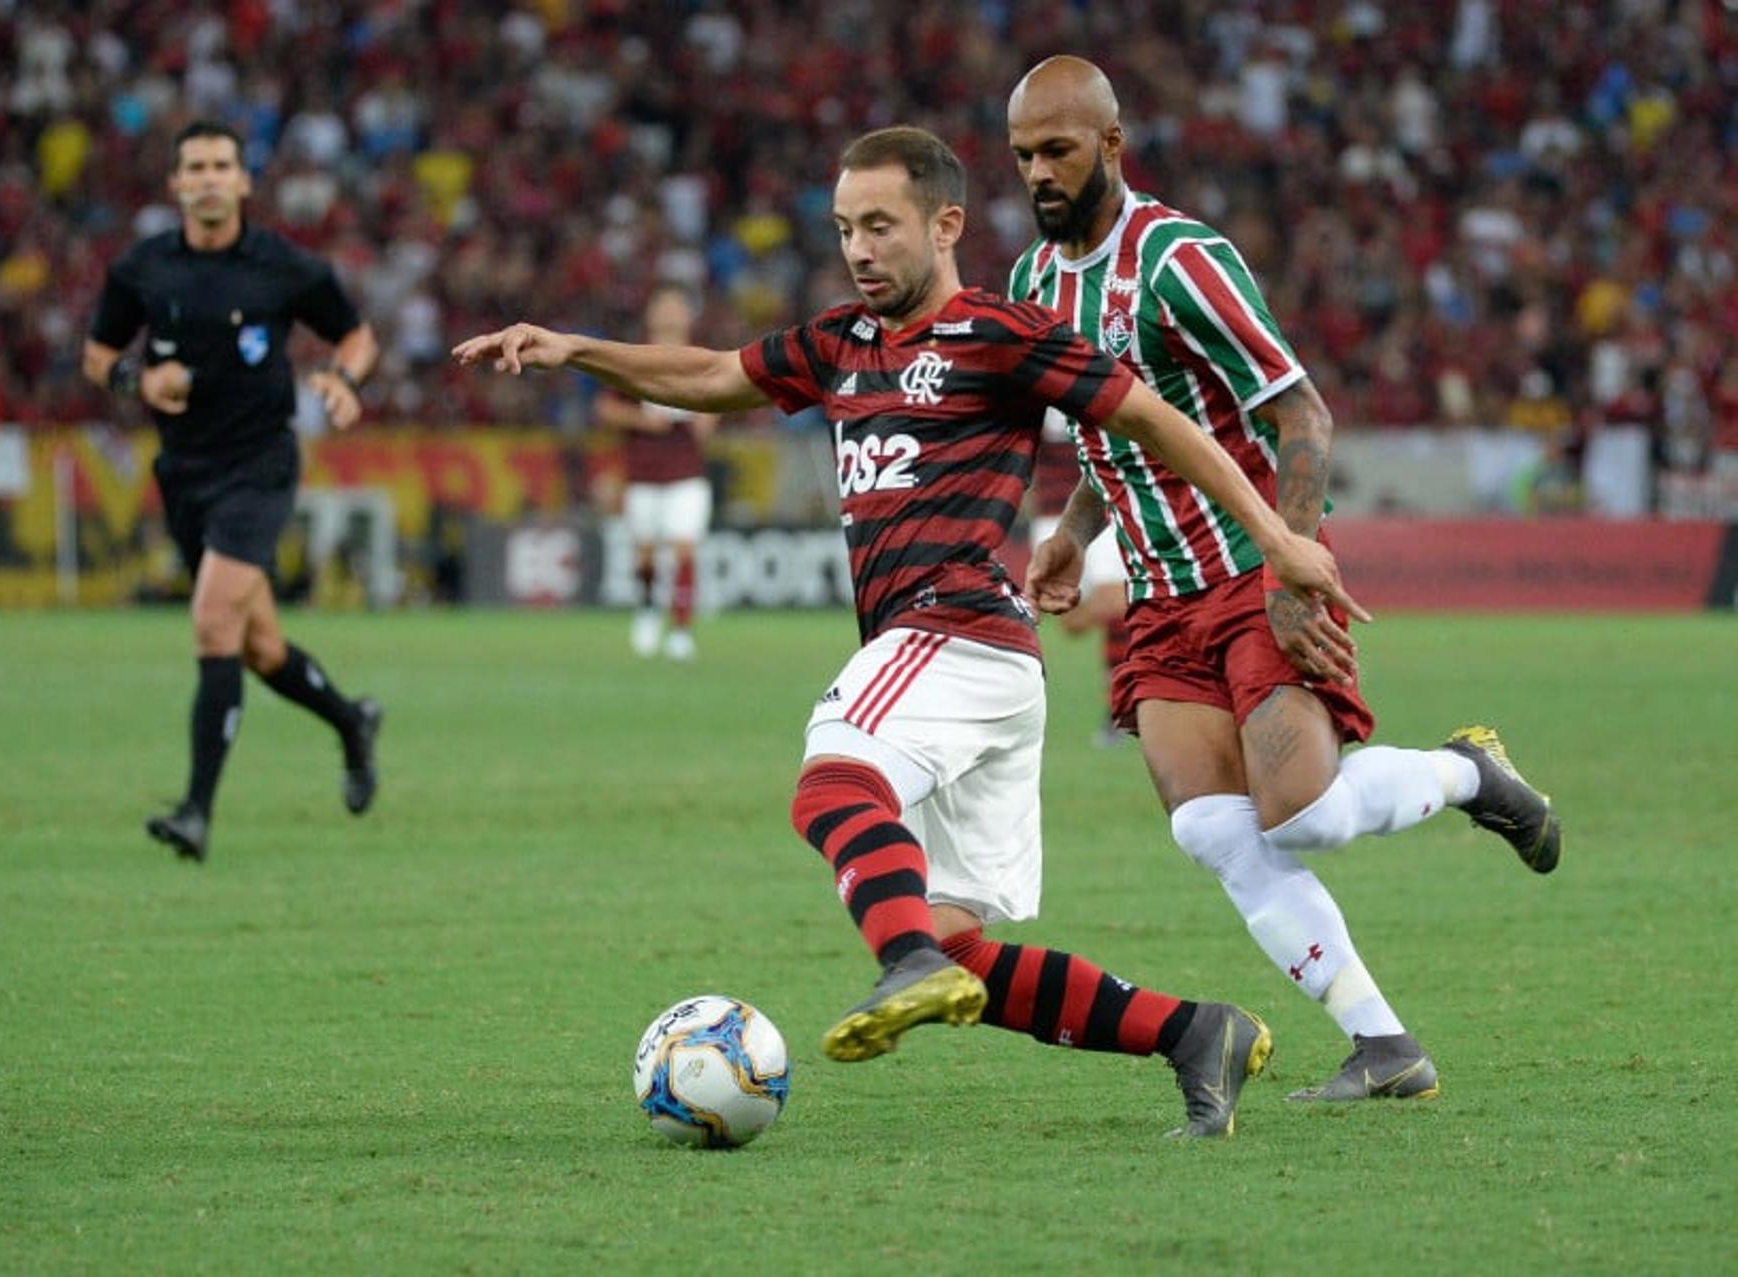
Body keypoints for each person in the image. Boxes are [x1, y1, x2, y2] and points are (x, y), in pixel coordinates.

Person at [458, 126, 1372, 1138]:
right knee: (960, 942)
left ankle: (903, 963)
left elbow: (1155, 418)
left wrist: (1280, 539)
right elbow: (713, 376)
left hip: (959, 629)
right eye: (846, 227)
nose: (858, 247)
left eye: (880, 225)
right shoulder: (840, 344)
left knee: (832, 778)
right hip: (972, 665)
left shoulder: (1000, 331)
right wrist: (575, 348)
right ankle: (1197, 1032)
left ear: (945, 225)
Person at [1009, 57, 1562, 1101]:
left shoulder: (1179, 259)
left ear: (1111, 146)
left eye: (1058, 150)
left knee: (1300, 813)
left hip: (1250, 571)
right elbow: (1112, 435)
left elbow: (1301, 412)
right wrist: (1076, 533)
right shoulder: (1034, 285)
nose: (1039, 172)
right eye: (1024, 155)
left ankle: (1468, 774)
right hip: (1163, 599)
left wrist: (1290, 569)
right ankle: (1384, 1044)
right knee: (1210, 827)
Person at [82, 120, 384, 864]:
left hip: (261, 467)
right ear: (177, 184)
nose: (211, 177)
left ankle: (194, 812)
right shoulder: (142, 269)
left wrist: (345, 382)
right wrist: (138, 378)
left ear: (245, 181)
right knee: (259, 645)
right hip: (185, 474)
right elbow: (96, 355)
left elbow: (357, 336)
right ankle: (351, 721)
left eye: (224, 165)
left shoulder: (283, 265)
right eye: (197, 166)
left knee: (214, 622)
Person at [594, 284, 719, 661]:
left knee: (684, 549)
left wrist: (705, 419)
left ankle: (681, 629)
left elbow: (717, 401)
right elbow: (607, 408)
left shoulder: (699, 358)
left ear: (687, 315)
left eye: (676, 307)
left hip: (686, 471)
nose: (669, 314)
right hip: (643, 471)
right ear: (651, 314)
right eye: (663, 306)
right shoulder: (635, 358)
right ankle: (648, 607)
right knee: (645, 553)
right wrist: (646, 421)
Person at [1028, 412, 1130, 746]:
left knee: (1114, 602)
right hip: (1049, 517)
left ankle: (1119, 710)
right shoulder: (1033, 389)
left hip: (1099, 511)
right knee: (1069, 621)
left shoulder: (1091, 378)